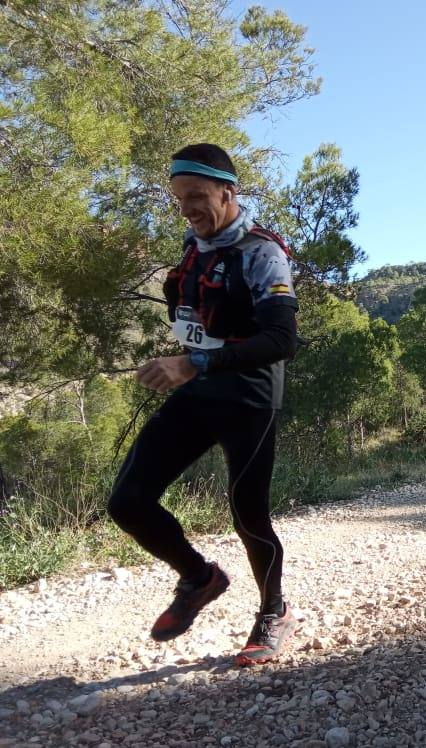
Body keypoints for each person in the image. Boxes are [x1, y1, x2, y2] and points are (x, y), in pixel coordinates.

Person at [108, 143, 299, 666]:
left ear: (227, 191)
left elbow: (282, 340)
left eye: (196, 195)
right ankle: (199, 576)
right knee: (128, 500)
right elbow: (195, 323)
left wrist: (195, 364)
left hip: (249, 399)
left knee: (248, 514)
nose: (187, 207)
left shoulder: (262, 253)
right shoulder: (194, 251)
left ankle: (274, 612)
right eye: (178, 198)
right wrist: (185, 360)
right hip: (199, 393)